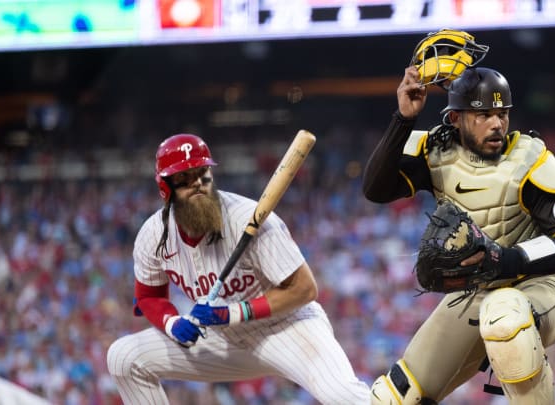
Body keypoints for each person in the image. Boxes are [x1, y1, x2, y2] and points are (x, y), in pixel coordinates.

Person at [362, 61, 555, 402]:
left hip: (542, 285)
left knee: (505, 319)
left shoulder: (530, 159)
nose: (497, 123)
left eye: (503, 114)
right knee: (393, 397)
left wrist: (509, 259)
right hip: (475, 292)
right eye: (483, 114)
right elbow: (375, 189)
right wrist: (404, 119)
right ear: (456, 118)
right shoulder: (437, 152)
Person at [106, 133, 369, 404]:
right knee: (124, 357)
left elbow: (304, 288)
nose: (196, 184)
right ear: (166, 188)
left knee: (344, 396)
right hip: (221, 340)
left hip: (285, 328)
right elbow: (149, 297)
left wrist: (232, 312)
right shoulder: (153, 235)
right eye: (184, 178)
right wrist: (172, 324)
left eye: (202, 173)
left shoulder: (247, 217)